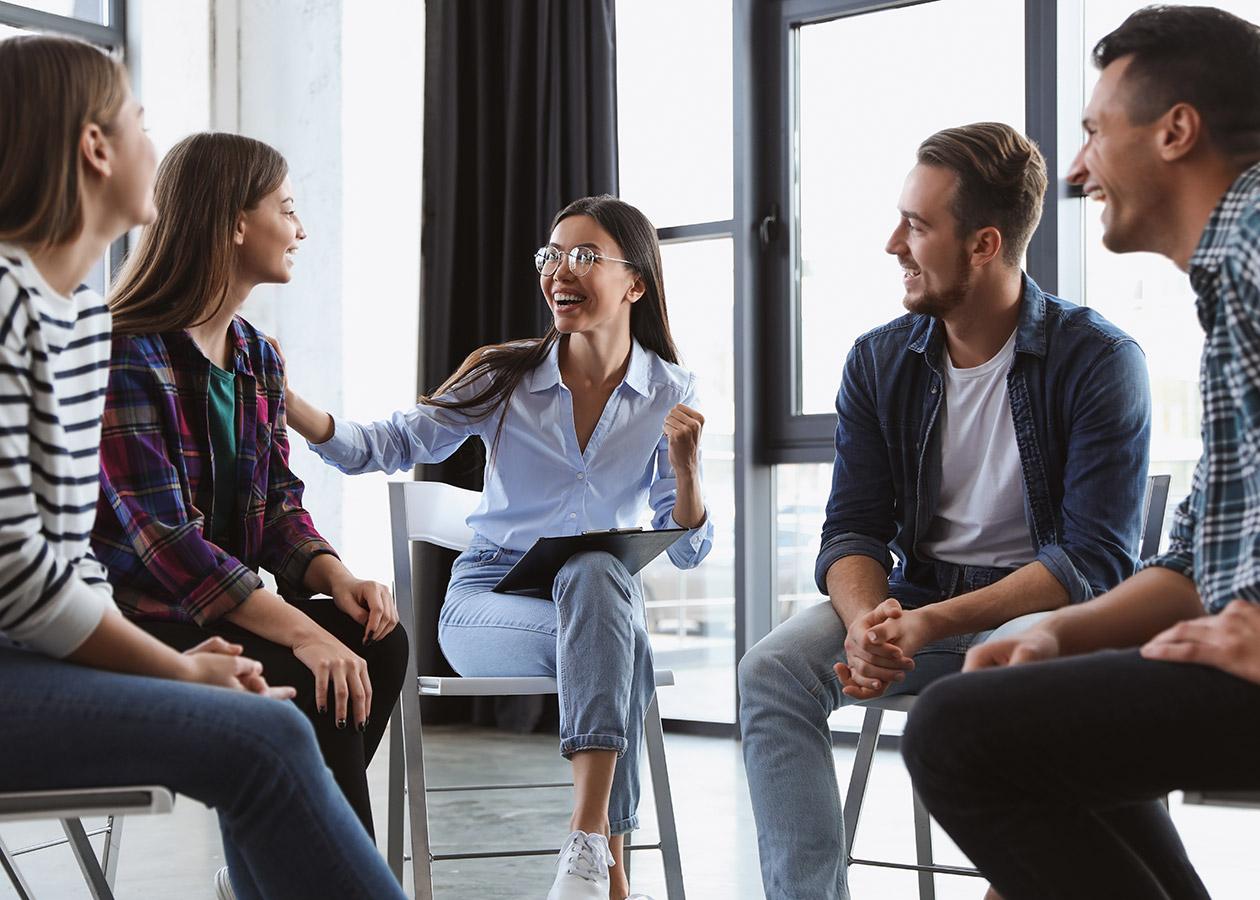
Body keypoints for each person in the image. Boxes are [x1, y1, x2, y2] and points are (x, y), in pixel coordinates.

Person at [0, 34, 409, 900]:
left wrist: (330, 580)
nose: (159, 146)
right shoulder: (61, 327)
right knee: (274, 722)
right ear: (94, 148)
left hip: (58, 635)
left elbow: (275, 507)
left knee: (347, 665)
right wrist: (189, 669)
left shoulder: (71, 320)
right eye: (140, 121)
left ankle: (277, 870)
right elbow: (74, 567)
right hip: (87, 631)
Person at [736, 121, 1153, 900]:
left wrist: (933, 624)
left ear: (984, 244)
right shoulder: (878, 360)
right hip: (918, 594)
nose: (894, 241)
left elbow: (1090, 561)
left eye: (919, 225)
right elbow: (854, 529)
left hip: (1039, 608)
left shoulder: (1099, 361)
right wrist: (866, 621)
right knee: (772, 674)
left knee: (1010, 679)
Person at [901, 7, 1260, 898]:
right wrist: (1062, 632)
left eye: (1095, 131)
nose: (1076, 168)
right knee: (1036, 728)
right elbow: (1192, 559)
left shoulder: (1254, 240)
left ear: (1176, 130)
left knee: (954, 733)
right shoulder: (1227, 281)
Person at [280, 193, 713, 900]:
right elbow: (383, 445)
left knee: (601, 576)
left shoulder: (670, 391)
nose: (557, 271)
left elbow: (691, 550)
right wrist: (289, 400)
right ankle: (608, 868)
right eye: (550, 255)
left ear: (635, 282)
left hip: (596, 607)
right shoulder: (504, 375)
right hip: (488, 605)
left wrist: (688, 467)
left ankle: (584, 849)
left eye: (582, 255)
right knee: (619, 631)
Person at [90, 134, 409, 860]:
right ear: (235, 223)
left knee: (376, 641)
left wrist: (337, 581)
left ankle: (296, 863)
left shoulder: (256, 356)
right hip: (142, 624)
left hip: (225, 607)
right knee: (307, 666)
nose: (300, 230)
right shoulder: (125, 351)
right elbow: (168, 547)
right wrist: (303, 630)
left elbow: (279, 509)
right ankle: (325, 869)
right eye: (288, 209)